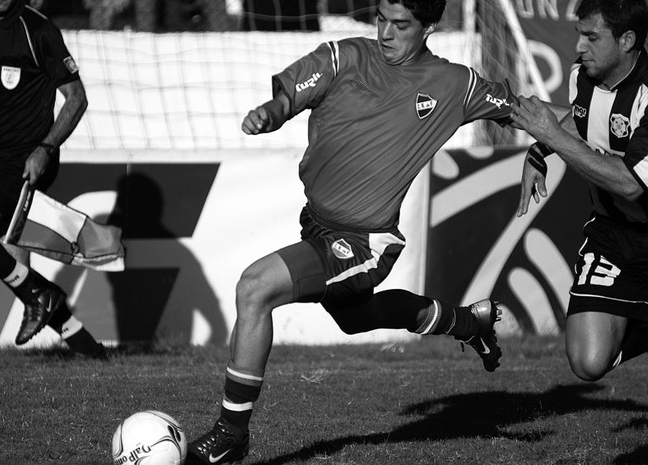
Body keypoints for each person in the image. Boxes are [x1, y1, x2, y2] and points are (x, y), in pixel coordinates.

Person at [186, 0, 518, 463]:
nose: (385, 33)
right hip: (318, 223)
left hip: (364, 242)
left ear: (429, 27)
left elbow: (530, 112)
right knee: (355, 317)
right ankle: (468, 322)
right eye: (381, 19)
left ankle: (231, 432)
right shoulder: (343, 57)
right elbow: (288, 97)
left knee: (255, 287)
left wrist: (587, 134)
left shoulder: (455, 84)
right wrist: (271, 112)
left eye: (400, 25)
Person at [0, 0, 106, 359]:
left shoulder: (38, 30)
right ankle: (86, 347)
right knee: (14, 264)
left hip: (28, 161)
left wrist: (45, 148)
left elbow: (76, 99)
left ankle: (39, 293)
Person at [512, 0, 648, 383]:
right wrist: (542, 148)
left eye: (591, 37)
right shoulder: (582, 78)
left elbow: (629, 183)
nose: (579, 48)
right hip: (612, 234)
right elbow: (581, 120)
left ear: (627, 40)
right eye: (579, 36)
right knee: (588, 361)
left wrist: (549, 134)